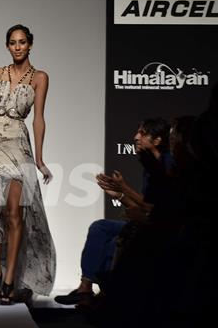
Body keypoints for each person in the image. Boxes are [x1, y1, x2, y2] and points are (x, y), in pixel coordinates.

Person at [0, 24, 55, 304]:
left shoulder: (40, 78)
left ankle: (9, 280)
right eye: (12, 43)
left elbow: (39, 118)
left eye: (22, 42)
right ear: (7, 46)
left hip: (18, 143)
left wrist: (39, 158)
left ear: (30, 44)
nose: (17, 47)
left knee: (15, 212)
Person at [54, 117, 172, 306]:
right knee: (100, 227)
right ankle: (85, 288)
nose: (136, 137)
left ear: (157, 140)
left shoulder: (168, 164)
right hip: (147, 221)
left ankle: (108, 296)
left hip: (164, 226)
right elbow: (144, 206)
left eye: (142, 133)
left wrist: (124, 188)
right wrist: (118, 195)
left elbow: (156, 208)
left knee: (116, 243)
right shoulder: (150, 166)